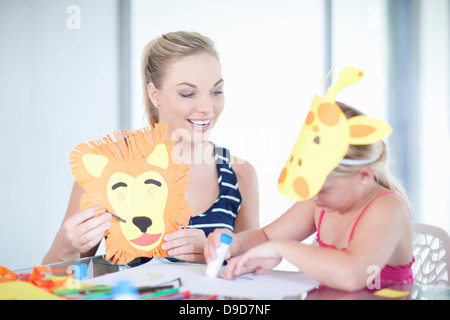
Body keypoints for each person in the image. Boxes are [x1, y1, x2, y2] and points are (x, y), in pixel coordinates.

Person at [43, 31, 259, 265]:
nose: (207, 107)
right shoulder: (108, 167)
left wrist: (216, 257)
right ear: (155, 94)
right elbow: (53, 275)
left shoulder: (239, 175)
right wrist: (66, 247)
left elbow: (252, 274)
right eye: (188, 93)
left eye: (216, 91)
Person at [205, 102, 414, 291]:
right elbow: (267, 237)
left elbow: (351, 275)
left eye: (323, 189)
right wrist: (235, 243)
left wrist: (281, 249)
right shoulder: (321, 201)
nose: (313, 196)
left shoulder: (387, 208)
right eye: (311, 187)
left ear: (364, 176)